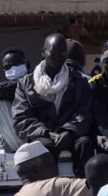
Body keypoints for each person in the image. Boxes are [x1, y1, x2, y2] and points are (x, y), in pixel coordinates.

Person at [12, 33, 96, 178]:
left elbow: (84, 114)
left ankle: (86, 192)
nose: (58, 56)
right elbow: (21, 118)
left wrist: (68, 131)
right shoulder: (25, 83)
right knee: (42, 151)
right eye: (53, 52)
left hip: (70, 135)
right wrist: (47, 133)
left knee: (85, 143)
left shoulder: (78, 81)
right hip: (43, 136)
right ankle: (49, 193)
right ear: (43, 52)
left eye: (63, 53)